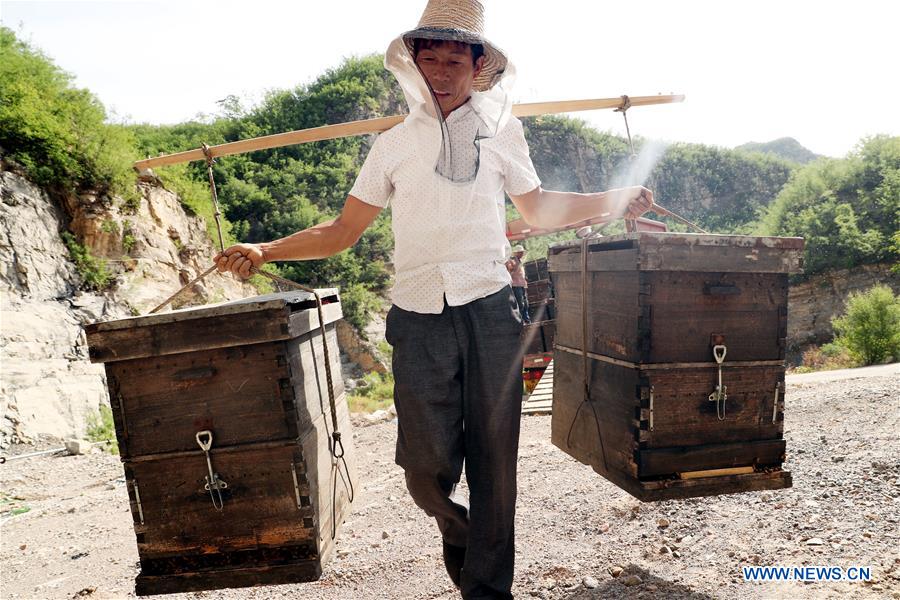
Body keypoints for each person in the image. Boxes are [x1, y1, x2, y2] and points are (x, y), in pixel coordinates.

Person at [215, 1, 652, 597]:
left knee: (495, 461)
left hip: (491, 308)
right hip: (418, 317)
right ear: (413, 66)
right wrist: (266, 249)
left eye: (455, 58)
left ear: (477, 68)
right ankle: (465, 535)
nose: (442, 70)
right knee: (424, 469)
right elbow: (342, 232)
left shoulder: (504, 132)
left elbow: (537, 209)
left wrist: (612, 197)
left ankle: (486, 590)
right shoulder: (393, 145)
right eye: (431, 58)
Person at [506, 245, 530, 324]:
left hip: (522, 284)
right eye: (520, 252)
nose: (522, 254)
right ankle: (522, 320)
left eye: (522, 252)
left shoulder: (519, 261)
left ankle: (526, 319)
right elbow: (509, 271)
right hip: (516, 285)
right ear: (517, 253)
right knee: (520, 303)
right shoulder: (512, 261)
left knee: (525, 303)